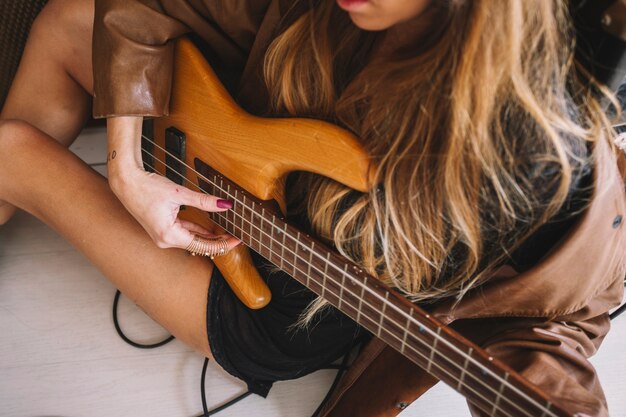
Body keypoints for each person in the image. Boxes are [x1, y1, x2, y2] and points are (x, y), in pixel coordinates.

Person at [0, 0, 624, 416]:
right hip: (241, 162)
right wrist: (128, 170)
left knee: (9, 152)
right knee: (66, 19)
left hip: (278, 308)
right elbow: (137, 8)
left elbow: (563, 308)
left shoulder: (535, 149)